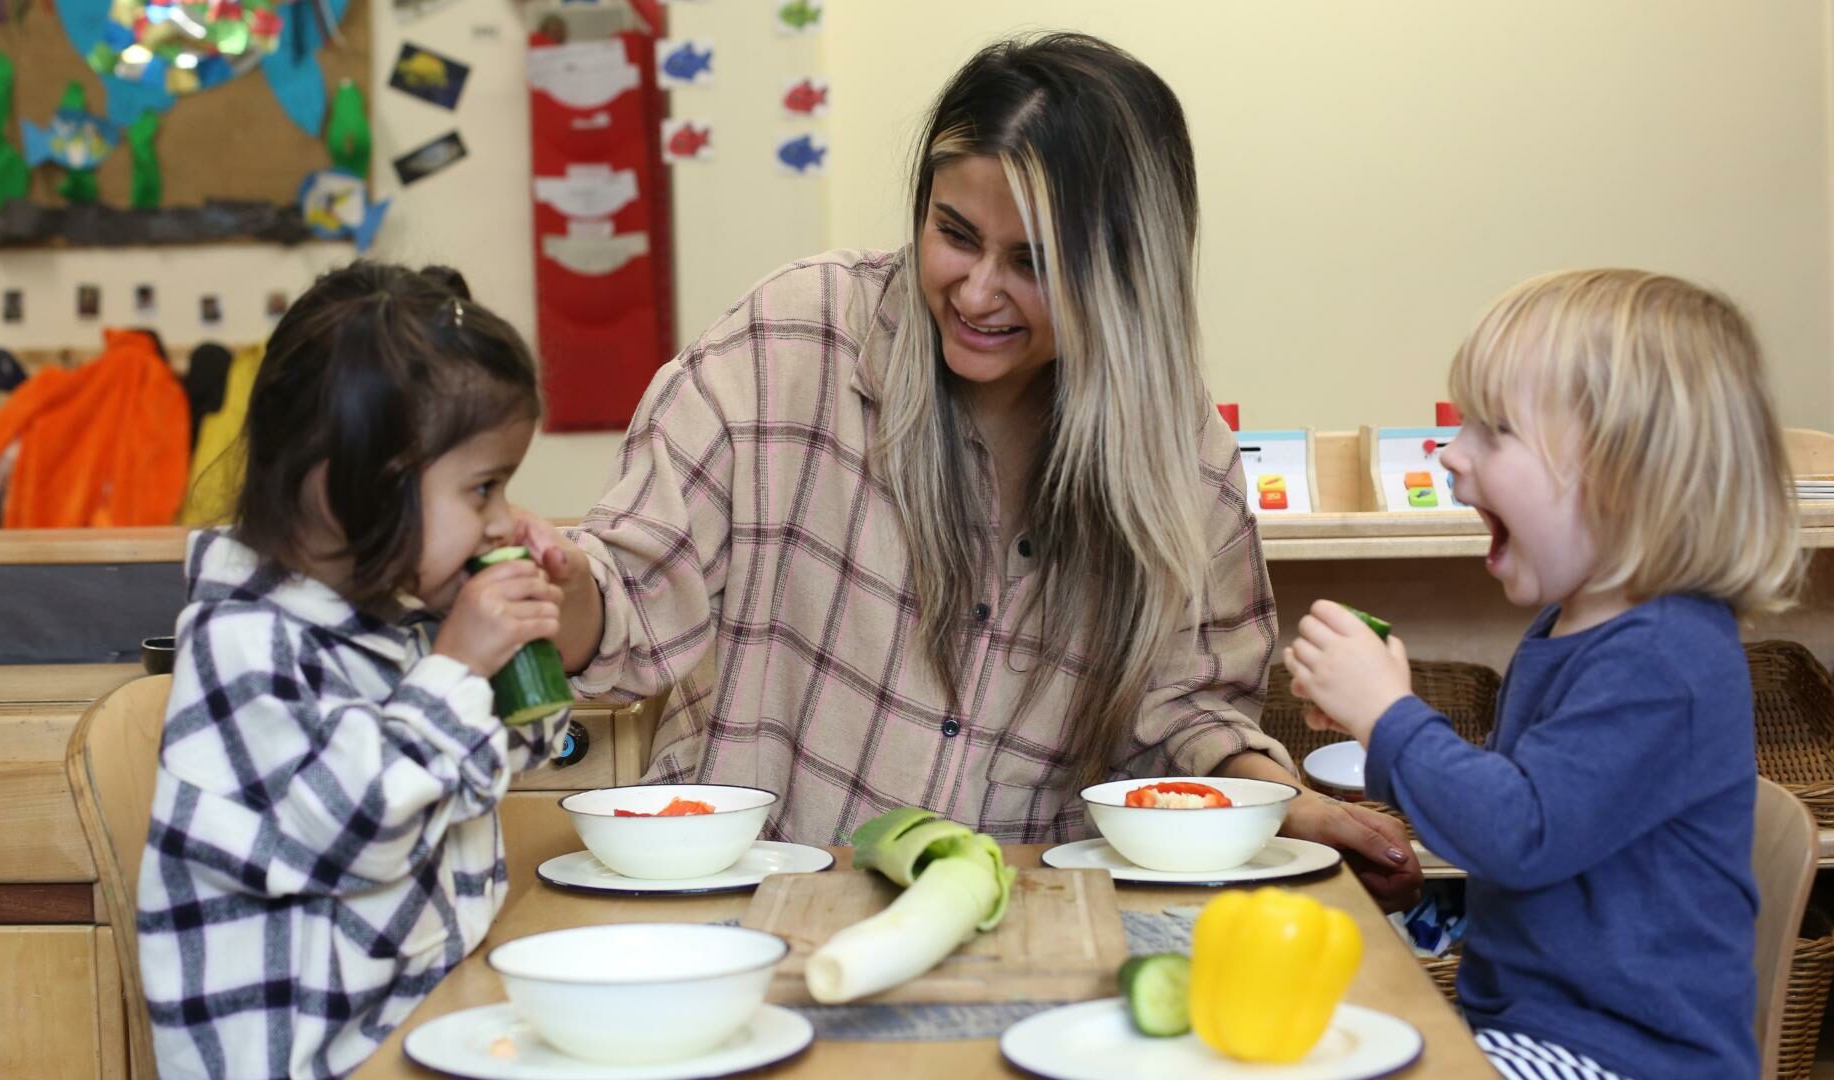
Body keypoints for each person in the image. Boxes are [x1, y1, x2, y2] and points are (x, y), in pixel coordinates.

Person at [523, 33, 1422, 906]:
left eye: (1033, 263)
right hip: (752, 902)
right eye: (954, 234)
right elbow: (634, 595)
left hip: (1019, 918)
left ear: (1122, 275)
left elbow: (1187, 716)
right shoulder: (795, 335)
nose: (977, 290)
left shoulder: (1178, 453)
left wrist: (1283, 801)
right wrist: (550, 585)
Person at [1286, 269, 1799, 1079]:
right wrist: (1429, 889)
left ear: (1626, 478)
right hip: (1540, 1032)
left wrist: (1387, 715)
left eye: (1494, 430)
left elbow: (1518, 833)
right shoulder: (1568, 631)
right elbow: (1550, 835)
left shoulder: (1664, 658)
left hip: (1620, 1058)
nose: (1451, 452)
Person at [136, 262, 570, 1078]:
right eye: (482, 489)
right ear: (359, 485)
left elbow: (505, 758)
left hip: (420, 1032)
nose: (503, 519)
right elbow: (356, 835)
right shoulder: (244, 647)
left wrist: (522, 644)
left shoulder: (394, 624)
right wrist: (456, 665)